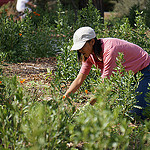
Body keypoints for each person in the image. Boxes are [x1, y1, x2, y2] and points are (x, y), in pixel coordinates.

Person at [64, 26, 150, 120]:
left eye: (81, 46)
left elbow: (104, 83)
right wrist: (64, 98)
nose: (80, 50)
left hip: (144, 69)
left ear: (92, 42)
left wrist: (87, 107)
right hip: (128, 74)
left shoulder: (110, 50)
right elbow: (80, 79)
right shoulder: (88, 55)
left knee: (138, 115)